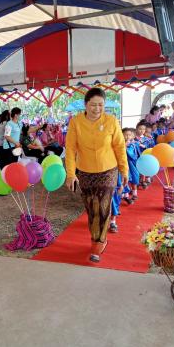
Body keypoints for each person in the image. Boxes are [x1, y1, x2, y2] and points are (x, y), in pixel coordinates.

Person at [65, 88, 128, 263]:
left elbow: (119, 147)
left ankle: (98, 243)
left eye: (101, 105)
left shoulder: (111, 121)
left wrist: (124, 170)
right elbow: (70, 149)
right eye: (93, 105)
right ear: (86, 105)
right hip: (85, 172)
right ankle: (97, 238)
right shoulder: (76, 122)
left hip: (108, 170)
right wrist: (71, 174)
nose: (97, 108)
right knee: (92, 210)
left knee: (103, 207)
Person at [123, 128, 140, 202]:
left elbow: (133, 155)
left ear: (132, 136)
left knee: (134, 178)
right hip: (123, 164)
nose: (127, 136)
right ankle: (126, 194)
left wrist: (125, 147)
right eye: (125, 134)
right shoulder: (120, 144)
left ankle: (134, 193)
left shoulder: (133, 144)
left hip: (132, 164)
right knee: (125, 178)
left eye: (129, 135)